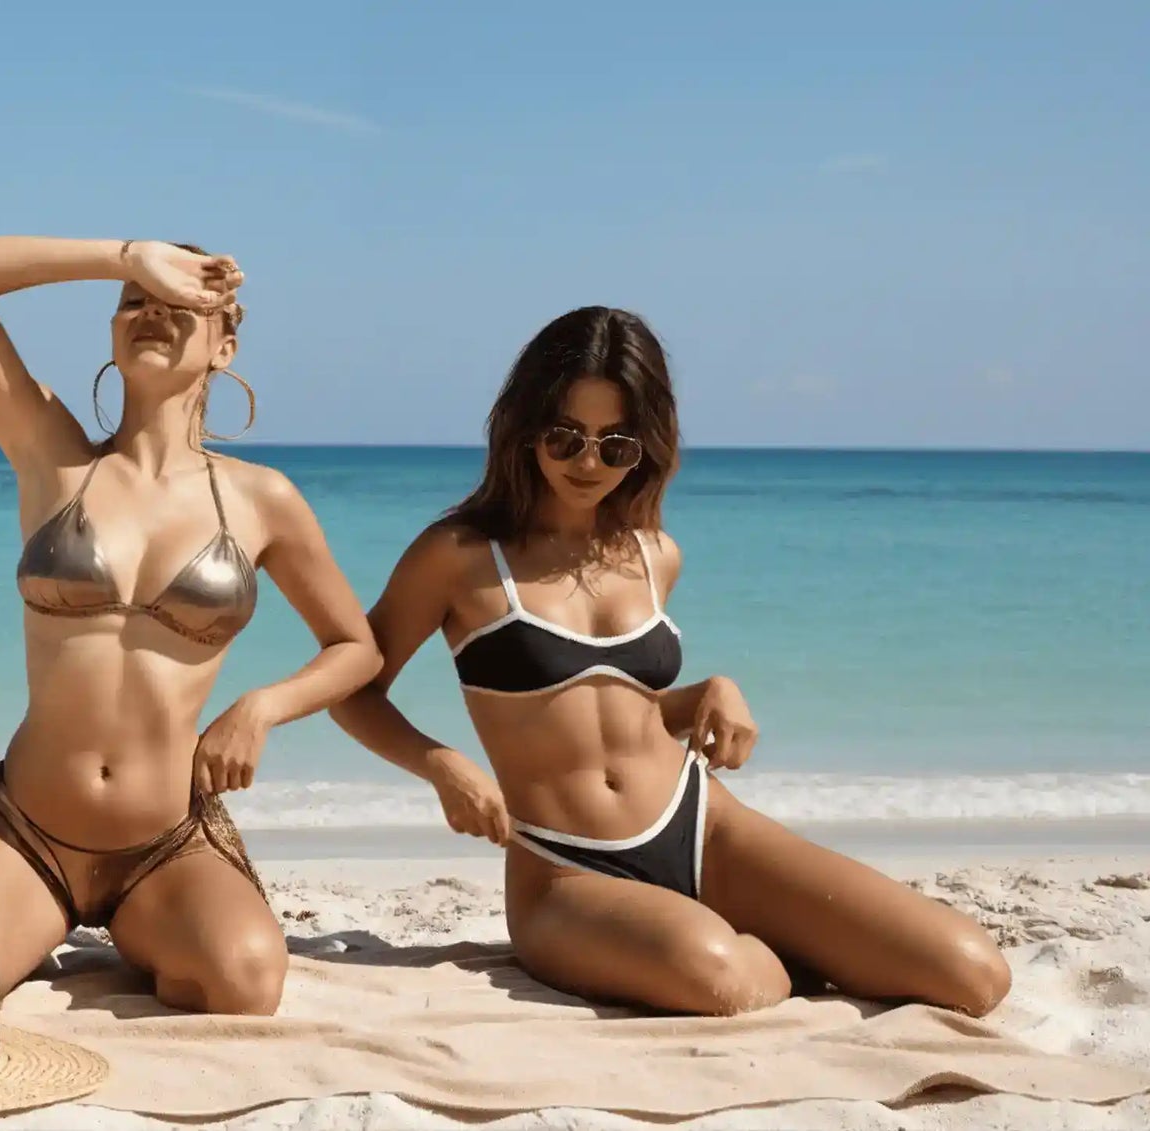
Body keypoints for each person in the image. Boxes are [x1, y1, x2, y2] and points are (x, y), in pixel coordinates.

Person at [327, 306, 1009, 1016]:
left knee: (972, 973)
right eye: (566, 438)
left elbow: (619, 711)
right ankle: (783, 948)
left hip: (704, 825)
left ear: (646, 444)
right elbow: (353, 688)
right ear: (525, 431)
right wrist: (442, 763)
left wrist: (716, 688)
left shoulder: (656, 553)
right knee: (712, 974)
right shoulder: (459, 556)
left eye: (615, 445)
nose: (588, 463)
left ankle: (773, 938)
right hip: (566, 871)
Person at [0, 237, 382, 1016]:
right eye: (136, 303)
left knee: (244, 982)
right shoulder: (56, 459)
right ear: (113, 334)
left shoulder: (262, 499)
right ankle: (33, 922)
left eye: (181, 306)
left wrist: (260, 708)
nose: (152, 313)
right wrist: (125, 257)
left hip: (166, 844)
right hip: (27, 833)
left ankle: (146, 933)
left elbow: (356, 647)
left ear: (226, 345)